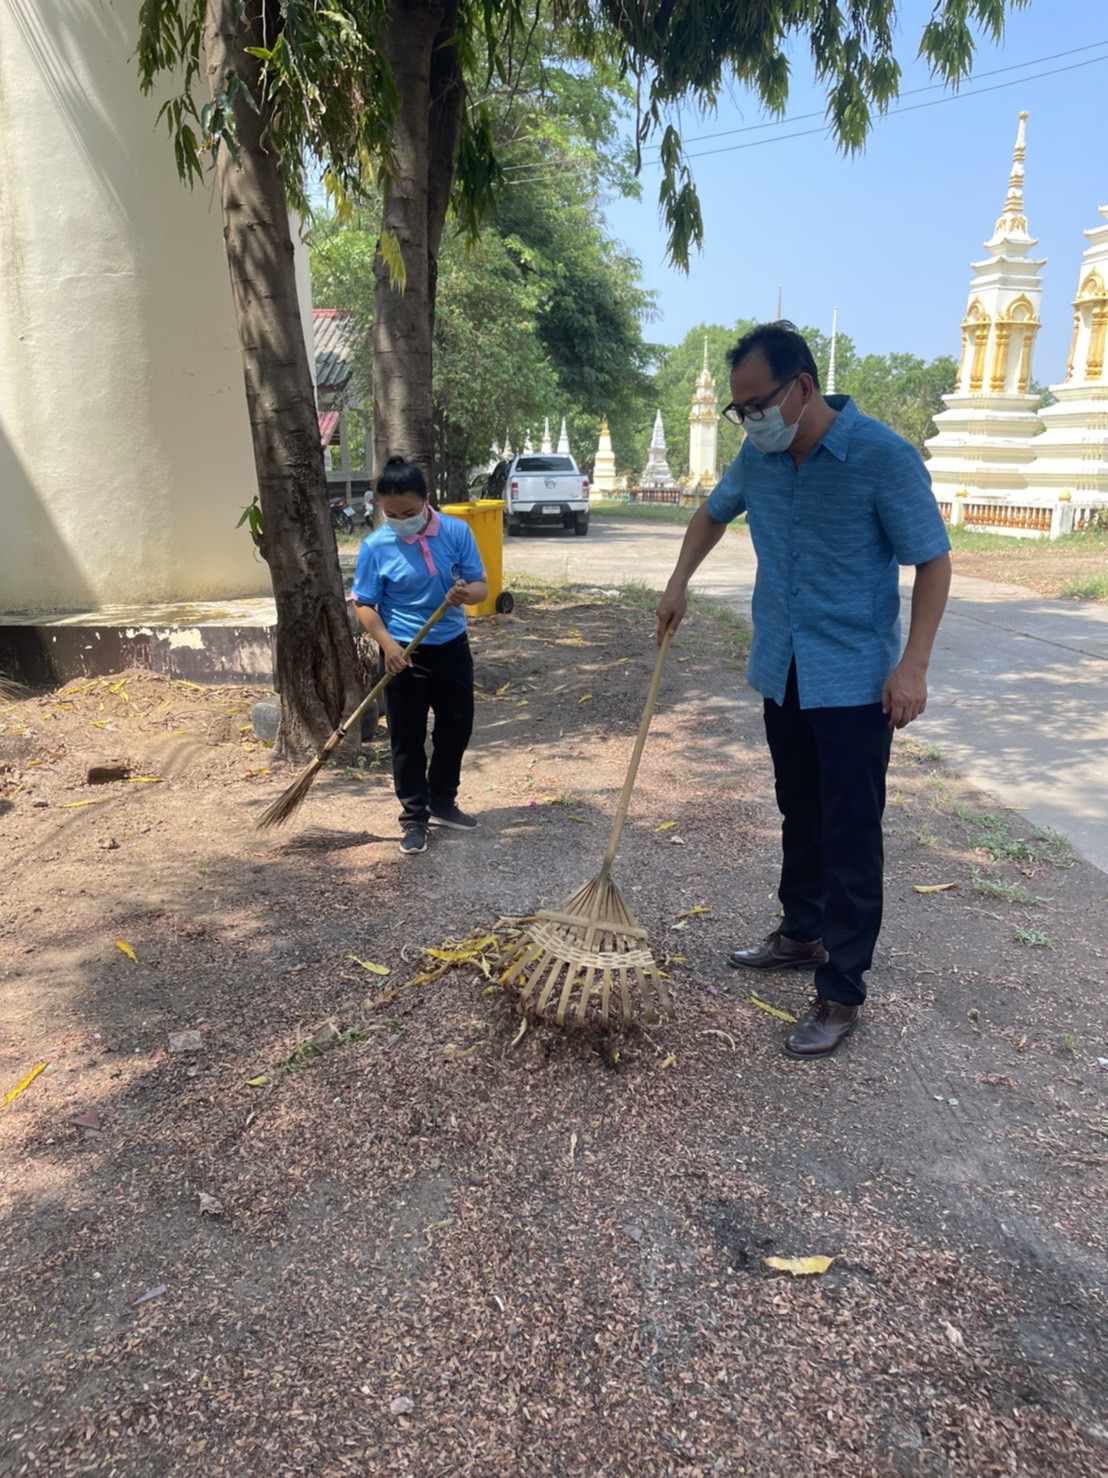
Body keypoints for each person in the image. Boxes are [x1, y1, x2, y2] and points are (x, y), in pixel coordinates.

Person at [656, 322, 951, 1059]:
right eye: (739, 409)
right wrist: (677, 582)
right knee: (798, 807)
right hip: (782, 668)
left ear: (802, 388)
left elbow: (933, 561)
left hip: (854, 681)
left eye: (756, 404)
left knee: (852, 828)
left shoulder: (881, 457)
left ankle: (842, 990)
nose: (749, 419)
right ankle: (801, 931)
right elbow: (711, 513)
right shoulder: (757, 461)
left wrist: (912, 665)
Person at [352, 456, 488, 855]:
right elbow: (364, 604)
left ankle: (442, 801)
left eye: (409, 512)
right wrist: (388, 646)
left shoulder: (456, 533)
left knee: (456, 727)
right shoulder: (376, 546)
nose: (401, 519)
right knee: (406, 737)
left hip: (451, 647)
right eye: (391, 514)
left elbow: (481, 586)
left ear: (427, 499)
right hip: (403, 654)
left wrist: (466, 594)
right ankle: (414, 817)